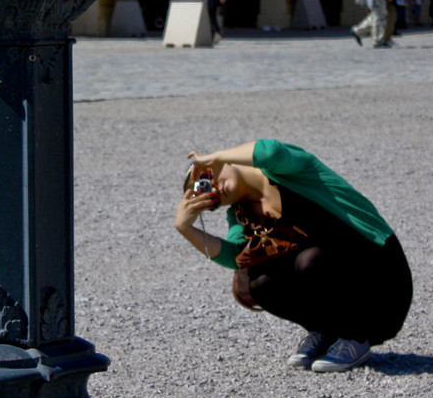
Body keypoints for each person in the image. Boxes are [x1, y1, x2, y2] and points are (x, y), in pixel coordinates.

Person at [175, 140, 412, 372]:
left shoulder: (283, 170)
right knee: (258, 283)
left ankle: (354, 337)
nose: (214, 188)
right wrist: (186, 229)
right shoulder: (240, 213)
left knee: (310, 261)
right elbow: (235, 256)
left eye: (206, 178)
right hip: (347, 289)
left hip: (383, 278)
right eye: (205, 193)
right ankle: (327, 332)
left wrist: (216, 156)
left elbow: (271, 151)